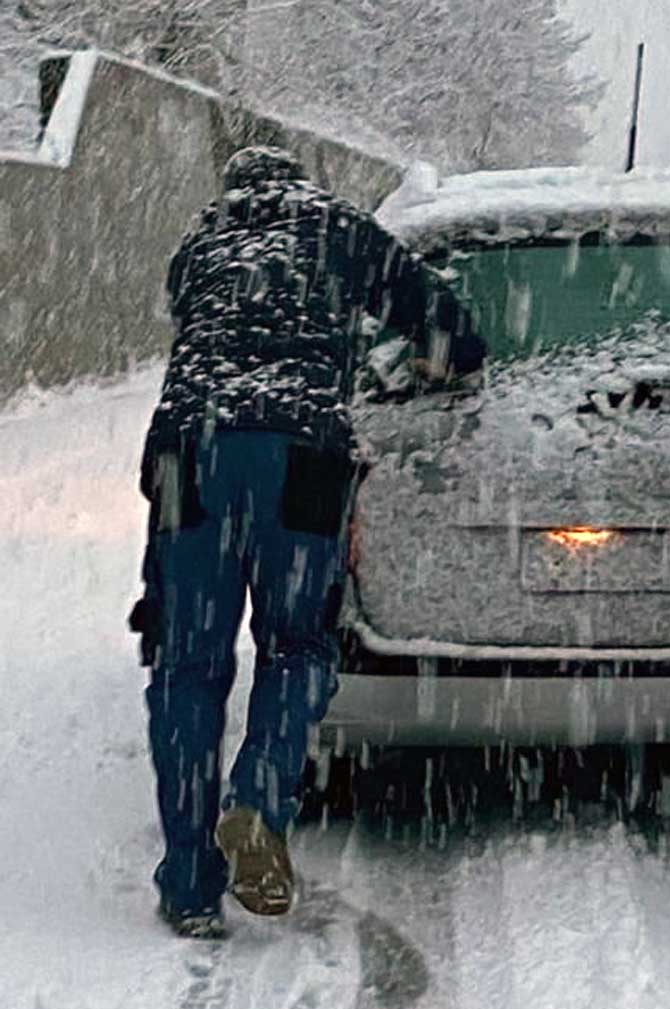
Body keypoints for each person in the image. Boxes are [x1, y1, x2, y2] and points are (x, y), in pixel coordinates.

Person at [129, 146, 482, 939]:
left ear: (235, 190)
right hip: (304, 453)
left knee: (186, 661)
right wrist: (433, 357)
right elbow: (454, 332)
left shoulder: (202, 239)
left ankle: (189, 882)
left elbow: (189, 325)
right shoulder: (337, 228)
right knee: (296, 645)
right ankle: (258, 798)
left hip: (189, 454)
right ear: (298, 183)